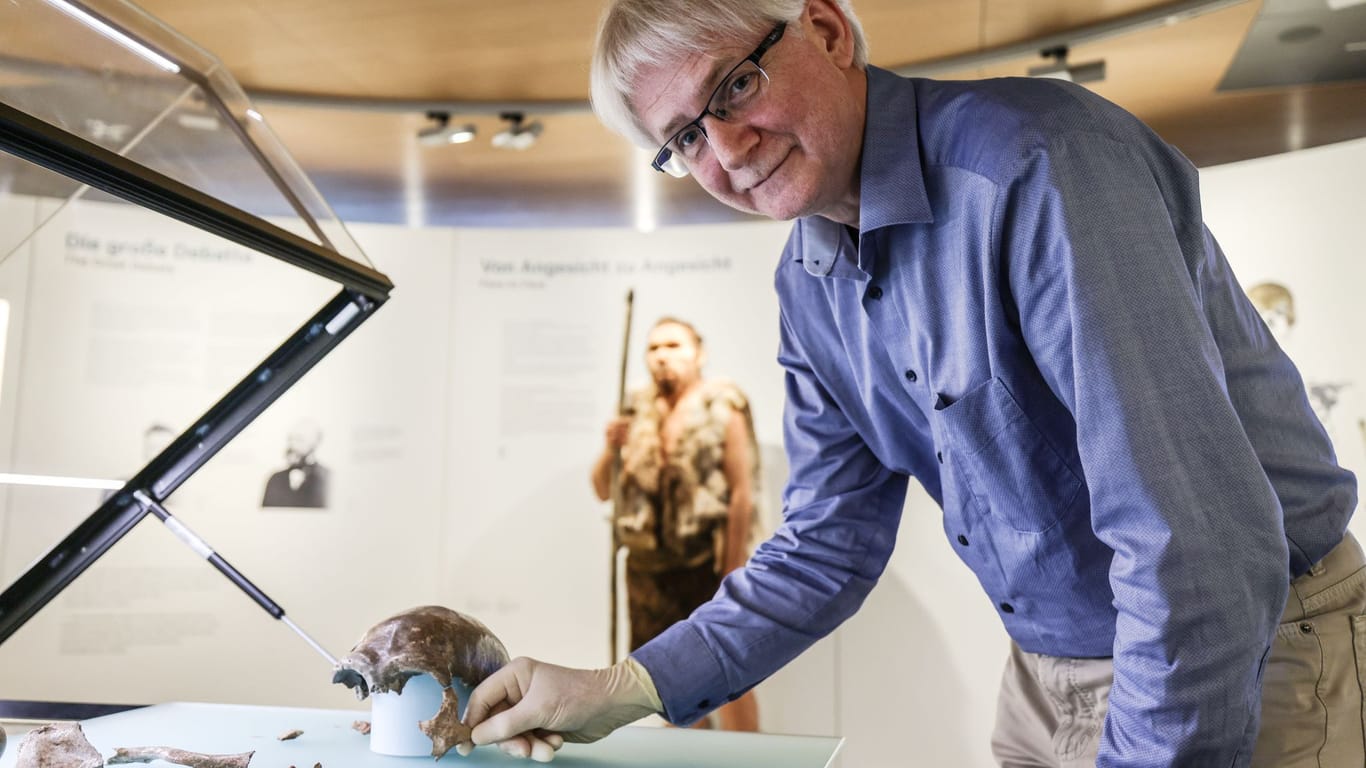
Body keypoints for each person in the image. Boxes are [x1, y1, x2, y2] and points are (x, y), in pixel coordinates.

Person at [458, 1, 1362, 765]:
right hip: (1045, 674)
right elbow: (826, 543)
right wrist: (626, 687)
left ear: (825, 29)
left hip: (1248, 650)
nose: (726, 149)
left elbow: (1193, 543)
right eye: (685, 139)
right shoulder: (806, 283)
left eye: (734, 86)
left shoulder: (1037, 165)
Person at [589, 316, 760, 732]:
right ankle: (689, 758)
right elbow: (602, 489)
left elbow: (741, 491)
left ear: (698, 353)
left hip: (705, 566)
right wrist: (611, 448)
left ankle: (751, 758)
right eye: (654, 348)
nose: (662, 356)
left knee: (730, 672)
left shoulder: (723, 404)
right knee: (668, 682)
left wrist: (732, 568)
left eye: (673, 345)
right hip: (648, 573)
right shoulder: (635, 408)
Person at [261, 419, 330, 508]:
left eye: (299, 439)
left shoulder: (326, 477)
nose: (292, 445)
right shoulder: (275, 479)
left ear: (314, 443)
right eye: (290, 439)